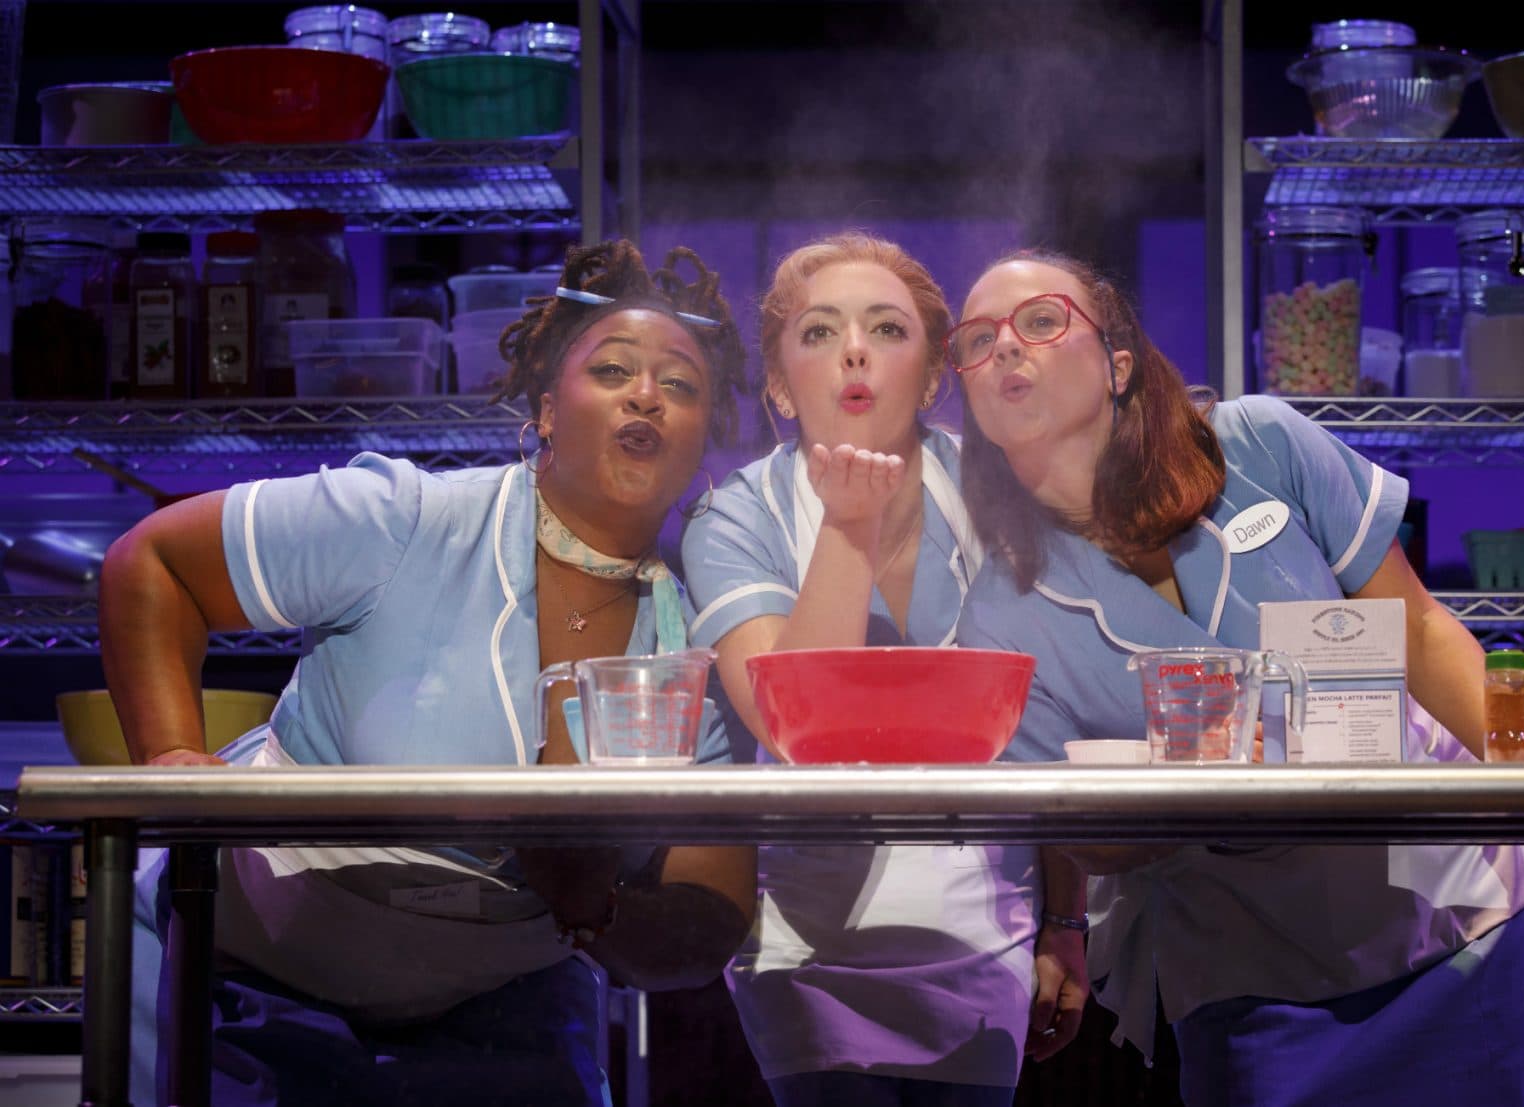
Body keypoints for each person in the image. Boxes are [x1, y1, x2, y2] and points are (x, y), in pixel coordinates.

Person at [98, 239, 757, 1107]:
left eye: (681, 384)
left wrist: (595, 908)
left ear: (702, 439)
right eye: (612, 370)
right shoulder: (407, 521)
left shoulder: (692, 653)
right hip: (252, 990)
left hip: (498, 1017)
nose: (647, 395)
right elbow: (153, 564)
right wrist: (172, 761)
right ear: (547, 409)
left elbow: (709, 918)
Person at [950, 249, 1524, 1106]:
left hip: (1461, 917)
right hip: (1259, 977)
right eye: (976, 340)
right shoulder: (999, 617)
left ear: (1118, 364)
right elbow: (1087, 837)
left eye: (1040, 321)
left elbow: (1420, 628)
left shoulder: (1258, 444)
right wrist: (1203, 782)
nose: (1005, 346)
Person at [680, 232, 1088, 1107]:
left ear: (934, 375)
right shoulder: (735, 517)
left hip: (985, 931)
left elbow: (1056, 718)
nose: (856, 350)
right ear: (779, 386)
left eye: (887, 329)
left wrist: (1066, 917)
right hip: (810, 944)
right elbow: (789, 726)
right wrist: (847, 526)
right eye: (820, 332)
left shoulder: (1003, 496)